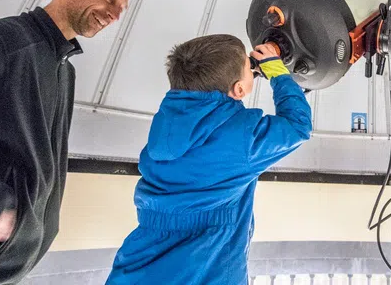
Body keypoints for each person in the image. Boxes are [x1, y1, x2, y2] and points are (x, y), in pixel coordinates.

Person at [105, 35, 311, 285]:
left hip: (140, 263)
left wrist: (243, 77)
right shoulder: (243, 137)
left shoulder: (165, 128)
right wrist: (276, 70)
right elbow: (298, 126)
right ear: (239, 89)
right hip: (206, 263)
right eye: (249, 68)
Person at [0, 0, 130, 284]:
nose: (116, 15)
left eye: (122, 9)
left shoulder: (64, 71)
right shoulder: (1, 41)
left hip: (5, 266)